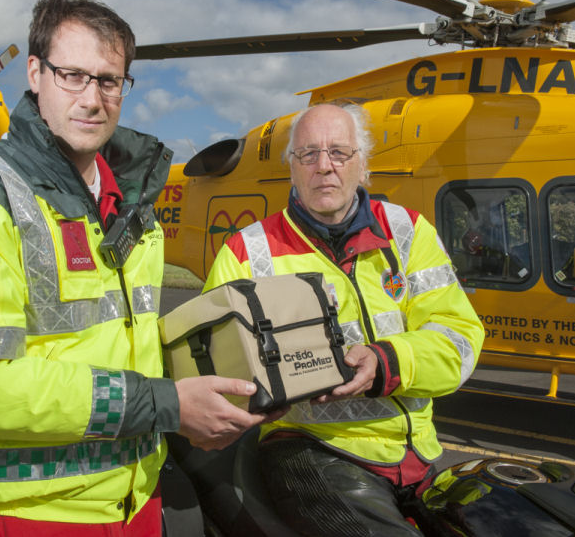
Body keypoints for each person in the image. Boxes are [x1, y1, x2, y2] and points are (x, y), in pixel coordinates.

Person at [0, 0, 278, 536]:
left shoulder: (131, 203)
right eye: (71, 75)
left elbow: (130, 344)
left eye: (108, 80)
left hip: (138, 500)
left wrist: (219, 398)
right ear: (34, 72)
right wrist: (169, 406)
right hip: (31, 513)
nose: (92, 98)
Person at [203, 102, 486, 536]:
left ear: (363, 164)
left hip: (419, 455)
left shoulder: (409, 232)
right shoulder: (247, 251)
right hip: (310, 450)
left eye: (338, 152)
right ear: (292, 168)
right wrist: (259, 393)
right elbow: (213, 364)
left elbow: (459, 338)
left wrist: (389, 361)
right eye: (308, 154)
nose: (324, 166)